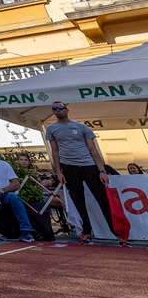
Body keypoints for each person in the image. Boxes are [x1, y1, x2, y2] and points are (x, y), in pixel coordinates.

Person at [46, 101, 117, 244]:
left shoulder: (81, 127)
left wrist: (101, 170)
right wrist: (58, 172)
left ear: (67, 109)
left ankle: (115, 230)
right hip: (69, 167)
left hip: (88, 165)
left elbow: (94, 150)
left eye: (60, 108)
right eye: (55, 109)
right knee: (78, 201)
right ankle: (86, 230)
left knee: (101, 198)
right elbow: (55, 152)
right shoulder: (51, 129)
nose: (58, 111)